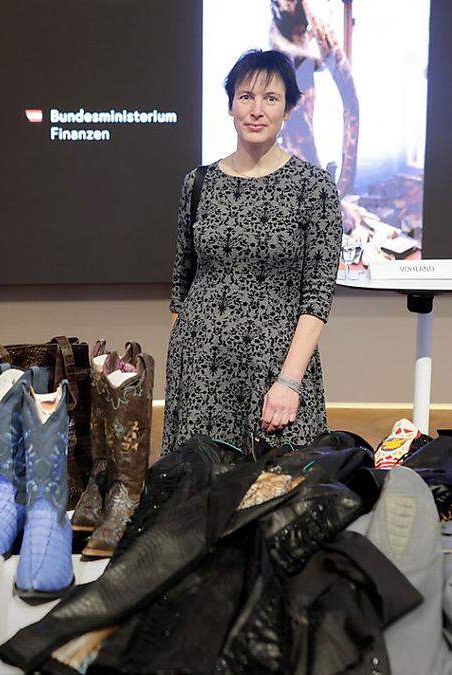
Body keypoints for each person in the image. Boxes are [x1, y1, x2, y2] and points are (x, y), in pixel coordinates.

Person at [162, 49, 342, 454]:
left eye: (271, 98)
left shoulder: (313, 187)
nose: (256, 110)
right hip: (201, 371)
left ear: (289, 109)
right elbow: (182, 281)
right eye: (246, 97)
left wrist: (289, 382)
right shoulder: (199, 182)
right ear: (230, 106)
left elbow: (317, 298)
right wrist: (188, 360)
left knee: (274, 498)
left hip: (275, 368)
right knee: (197, 497)